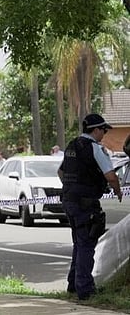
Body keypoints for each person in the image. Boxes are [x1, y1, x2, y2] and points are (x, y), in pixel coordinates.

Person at [58, 113, 123, 301]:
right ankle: (85, 290)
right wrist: (117, 191)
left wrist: (72, 188)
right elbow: (111, 176)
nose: (104, 134)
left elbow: (61, 172)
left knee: (79, 243)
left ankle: (73, 285)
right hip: (85, 202)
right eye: (103, 130)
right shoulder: (95, 149)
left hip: (69, 200)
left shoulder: (72, 146)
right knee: (87, 244)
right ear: (95, 130)